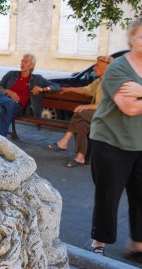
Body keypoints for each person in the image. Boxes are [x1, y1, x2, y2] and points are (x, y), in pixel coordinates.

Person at [88, 18, 142, 263]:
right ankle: (99, 242)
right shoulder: (118, 69)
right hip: (110, 141)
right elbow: (129, 108)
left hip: (139, 142)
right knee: (108, 195)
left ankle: (136, 244)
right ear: (131, 39)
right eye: (141, 36)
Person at [46, 56, 113, 168]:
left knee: (80, 112)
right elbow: (86, 90)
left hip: (107, 116)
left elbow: (110, 104)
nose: (94, 68)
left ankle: (64, 141)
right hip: (97, 114)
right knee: (81, 124)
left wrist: (88, 106)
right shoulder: (99, 81)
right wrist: (70, 89)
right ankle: (80, 157)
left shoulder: (112, 82)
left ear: (106, 69)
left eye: (97, 65)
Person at [0, 53, 61, 138]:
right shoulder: (11, 74)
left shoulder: (37, 79)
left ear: (32, 65)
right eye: (22, 61)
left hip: (17, 107)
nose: (22, 63)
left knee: (5, 104)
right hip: (4, 102)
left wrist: (42, 89)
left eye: (26, 62)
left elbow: (57, 86)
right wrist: (8, 91)